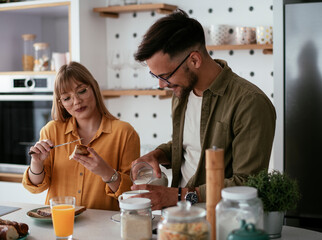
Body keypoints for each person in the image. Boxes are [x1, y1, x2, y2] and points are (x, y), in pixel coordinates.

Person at [130, 9, 276, 210]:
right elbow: (189, 144)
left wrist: (179, 196)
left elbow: (247, 183)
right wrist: (157, 155)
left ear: (195, 60)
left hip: (221, 221)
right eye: (156, 77)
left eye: (165, 76)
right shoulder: (182, 93)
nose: (162, 86)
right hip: (179, 217)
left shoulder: (250, 102)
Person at [22, 61, 140, 211]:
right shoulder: (51, 131)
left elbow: (133, 194)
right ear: (61, 103)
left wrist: (106, 172)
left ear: (94, 88)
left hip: (104, 229)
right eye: (67, 98)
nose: (76, 101)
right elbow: (35, 188)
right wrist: (36, 163)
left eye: (82, 91)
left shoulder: (125, 133)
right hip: (59, 225)